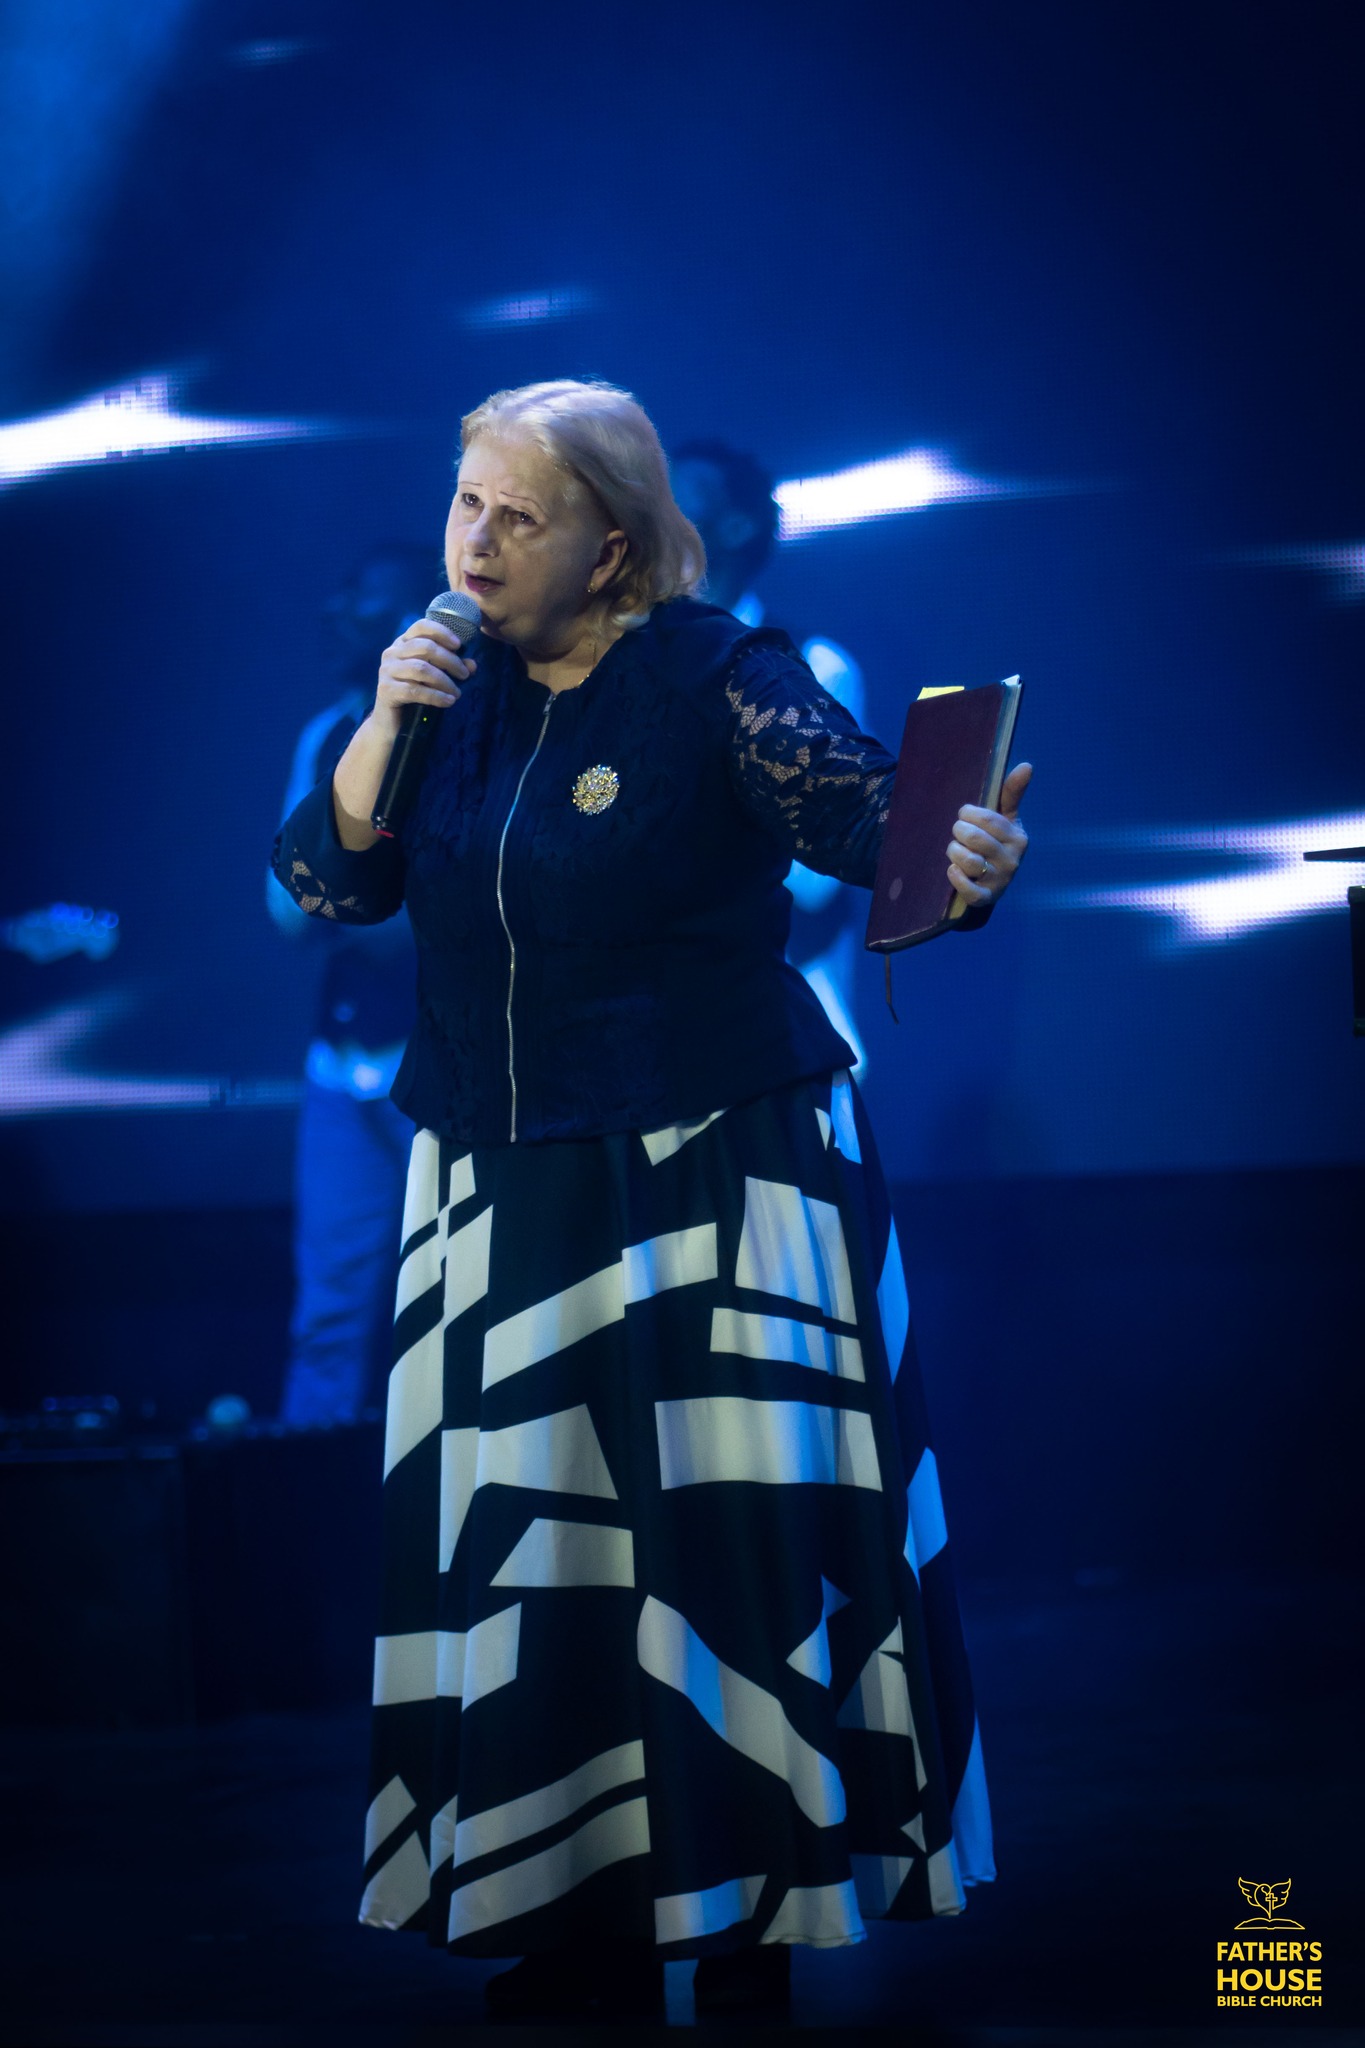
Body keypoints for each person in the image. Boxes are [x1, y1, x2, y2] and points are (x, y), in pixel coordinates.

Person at [271, 379, 1031, 2018]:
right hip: (500, 1186)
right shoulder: (443, 685)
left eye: (517, 518)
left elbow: (856, 809)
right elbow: (329, 877)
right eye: (465, 505)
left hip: (714, 1178)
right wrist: (387, 718)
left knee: (718, 1554)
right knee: (535, 1564)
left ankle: (749, 1906)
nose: (474, 544)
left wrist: (953, 859)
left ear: (612, 547)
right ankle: (566, 1909)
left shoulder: (712, 671)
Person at [267, 546, 435, 1428]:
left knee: (448, 1300)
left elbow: (422, 911)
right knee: (327, 1313)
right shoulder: (325, 733)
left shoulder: (457, 729)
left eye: (362, 596)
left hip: (432, 1061)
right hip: (340, 1066)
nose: (337, 611)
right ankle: (307, 1486)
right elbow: (291, 907)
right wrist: (353, 899)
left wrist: (354, 899)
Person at [670, 439, 871, 1069]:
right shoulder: (618, 669)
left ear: (737, 525)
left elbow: (816, 876)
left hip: (777, 1036)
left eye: (674, 495)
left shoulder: (811, 665)